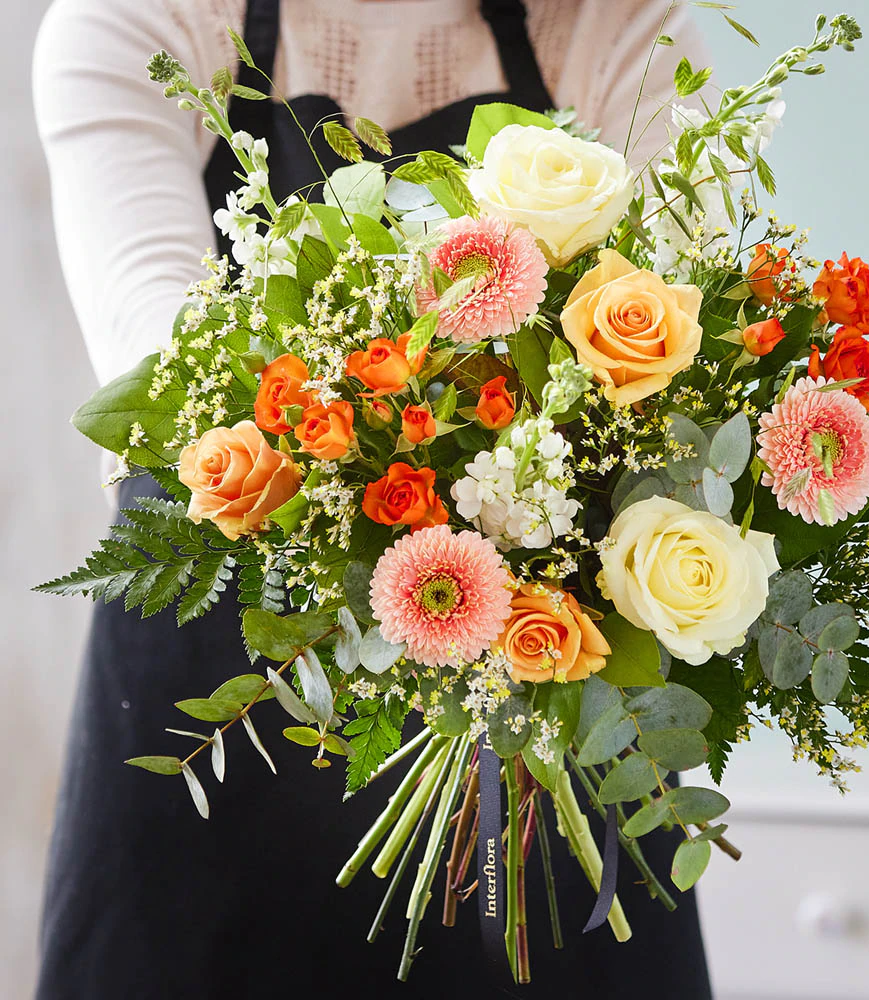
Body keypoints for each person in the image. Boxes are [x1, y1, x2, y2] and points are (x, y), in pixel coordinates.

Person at [33, 1, 714, 997]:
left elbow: (672, 389)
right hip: (215, 714)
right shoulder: (138, 17)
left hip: (543, 711)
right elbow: (174, 380)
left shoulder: (624, 27)